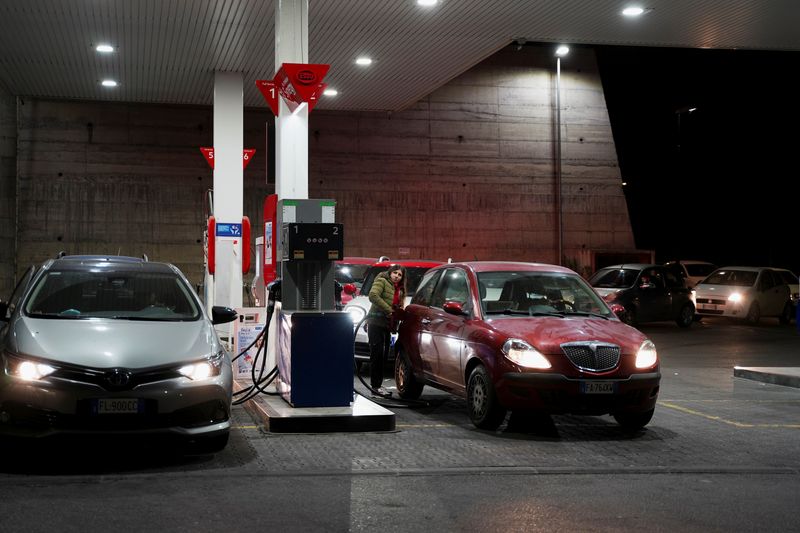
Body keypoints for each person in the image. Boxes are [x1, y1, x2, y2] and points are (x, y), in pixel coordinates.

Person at [366, 264, 407, 397]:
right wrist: (388, 310)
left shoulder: (399, 289)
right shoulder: (382, 281)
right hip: (375, 322)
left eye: (400, 275)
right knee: (376, 355)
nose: (396, 276)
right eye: (395, 273)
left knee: (383, 356)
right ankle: (375, 387)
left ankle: (377, 385)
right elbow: (373, 295)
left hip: (387, 325)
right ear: (390, 273)